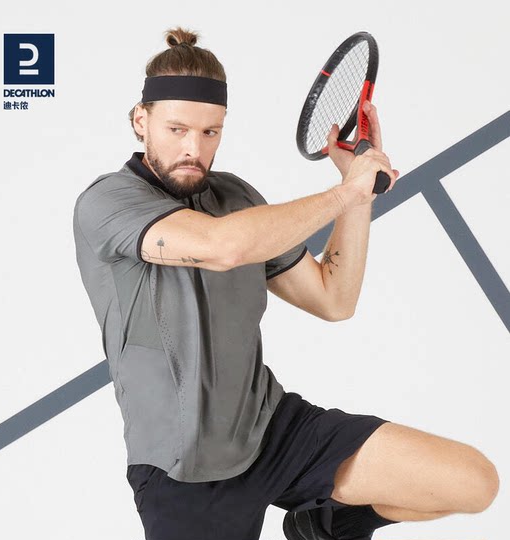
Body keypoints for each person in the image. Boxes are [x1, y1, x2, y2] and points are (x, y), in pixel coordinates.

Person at [72, 27, 499, 540]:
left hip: (273, 431)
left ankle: (323, 525)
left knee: (472, 482)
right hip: (182, 469)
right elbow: (222, 247)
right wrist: (344, 194)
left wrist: (356, 194)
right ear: (141, 121)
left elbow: (334, 298)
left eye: (210, 132)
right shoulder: (107, 203)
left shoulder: (235, 197)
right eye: (177, 129)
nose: (193, 148)